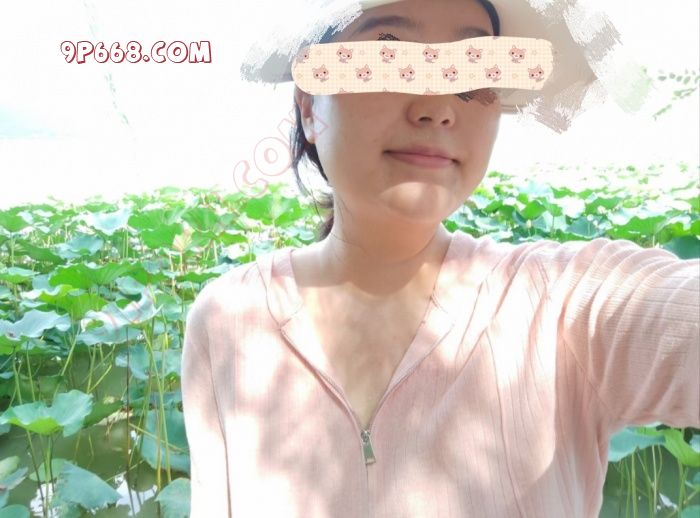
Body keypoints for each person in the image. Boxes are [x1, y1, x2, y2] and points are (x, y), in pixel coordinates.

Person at [181, 1, 700, 516]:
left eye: (474, 67)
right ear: (309, 107)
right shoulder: (228, 321)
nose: (437, 105)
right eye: (386, 56)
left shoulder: (561, 304)